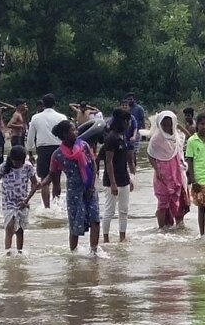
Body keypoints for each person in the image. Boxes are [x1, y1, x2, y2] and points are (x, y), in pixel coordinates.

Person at [26, 120, 100, 253]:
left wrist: (91, 186)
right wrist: (41, 184)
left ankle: (94, 251)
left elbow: (93, 165)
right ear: (65, 134)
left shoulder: (83, 146)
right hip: (74, 193)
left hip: (89, 189)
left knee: (95, 220)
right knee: (74, 226)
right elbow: (52, 175)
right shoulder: (57, 155)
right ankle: (73, 255)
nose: (76, 132)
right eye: (72, 130)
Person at [0, 145, 40, 254]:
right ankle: (7, 253)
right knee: (9, 227)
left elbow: (35, 183)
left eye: (20, 162)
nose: (18, 164)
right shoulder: (4, 167)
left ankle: (19, 252)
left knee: (19, 230)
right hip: (8, 202)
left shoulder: (28, 167)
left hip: (22, 202)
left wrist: (26, 201)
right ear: (11, 160)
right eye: (16, 162)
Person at [147, 110, 190, 229]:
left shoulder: (176, 136)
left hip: (177, 171)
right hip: (163, 174)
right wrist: (157, 170)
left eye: (169, 124)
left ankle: (180, 226)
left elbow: (189, 136)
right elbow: (150, 155)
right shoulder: (156, 139)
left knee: (180, 199)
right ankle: (162, 229)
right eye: (164, 125)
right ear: (159, 125)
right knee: (163, 202)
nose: (167, 127)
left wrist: (177, 125)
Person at [26, 93, 66, 208]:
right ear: (55, 104)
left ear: (43, 104)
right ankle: (56, 206)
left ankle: (47, 208)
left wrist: (30, 152)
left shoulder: (35, 118)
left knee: (44, 179)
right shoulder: (61, 117)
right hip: (59, 148)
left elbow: (30, 137)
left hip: (42, 150)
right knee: (56, 179)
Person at [101, 108, 135, 243]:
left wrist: (130, 179)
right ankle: (106, 239)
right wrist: (113, 182)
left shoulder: (123, 138)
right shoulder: (111, 138)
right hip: (112, 181)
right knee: (109, 211)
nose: (128, 125)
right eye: (127, 122)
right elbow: (108, 162)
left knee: (124, 211)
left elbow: (125, 161)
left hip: (124, 179)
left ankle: (122, 237)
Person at [127, 92, 146, 166]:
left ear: (134, 100)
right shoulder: (127, 109)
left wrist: (144, 132)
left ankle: (134, 168)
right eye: (128, 99)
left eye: (131, 99)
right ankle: (131, 168)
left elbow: (143, 120)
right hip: (127, 132)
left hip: (137, 132)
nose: (129, 101)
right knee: (128, 151)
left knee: (134, 152)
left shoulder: (139, 109)